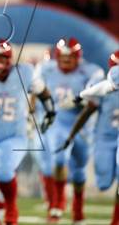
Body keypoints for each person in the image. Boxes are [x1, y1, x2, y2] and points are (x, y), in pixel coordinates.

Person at [0, 40, 56, 225]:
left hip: (12, 136)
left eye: (2, 58)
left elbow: (43, 91)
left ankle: (11, 208)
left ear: (9, 59)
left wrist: (50, 111)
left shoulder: (24, 73)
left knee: (3, 168)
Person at [38, 38, 104, 223]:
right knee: (59, 159)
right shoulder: (46, 68)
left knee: (79, 170)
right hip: (58, 122)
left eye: (70, 57)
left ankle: (77, 207)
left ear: (78, 57)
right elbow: (34, 88)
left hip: (81, 124)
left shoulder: (91, 71)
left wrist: (78, 99)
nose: (66, 61)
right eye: (63, 57)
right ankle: (57, 204)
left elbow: (95, 91)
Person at [57, 50, 119, 225]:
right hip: (105, 137)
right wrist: (71, 136)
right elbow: (90, 107)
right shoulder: (109, 84)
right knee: (104, 183)